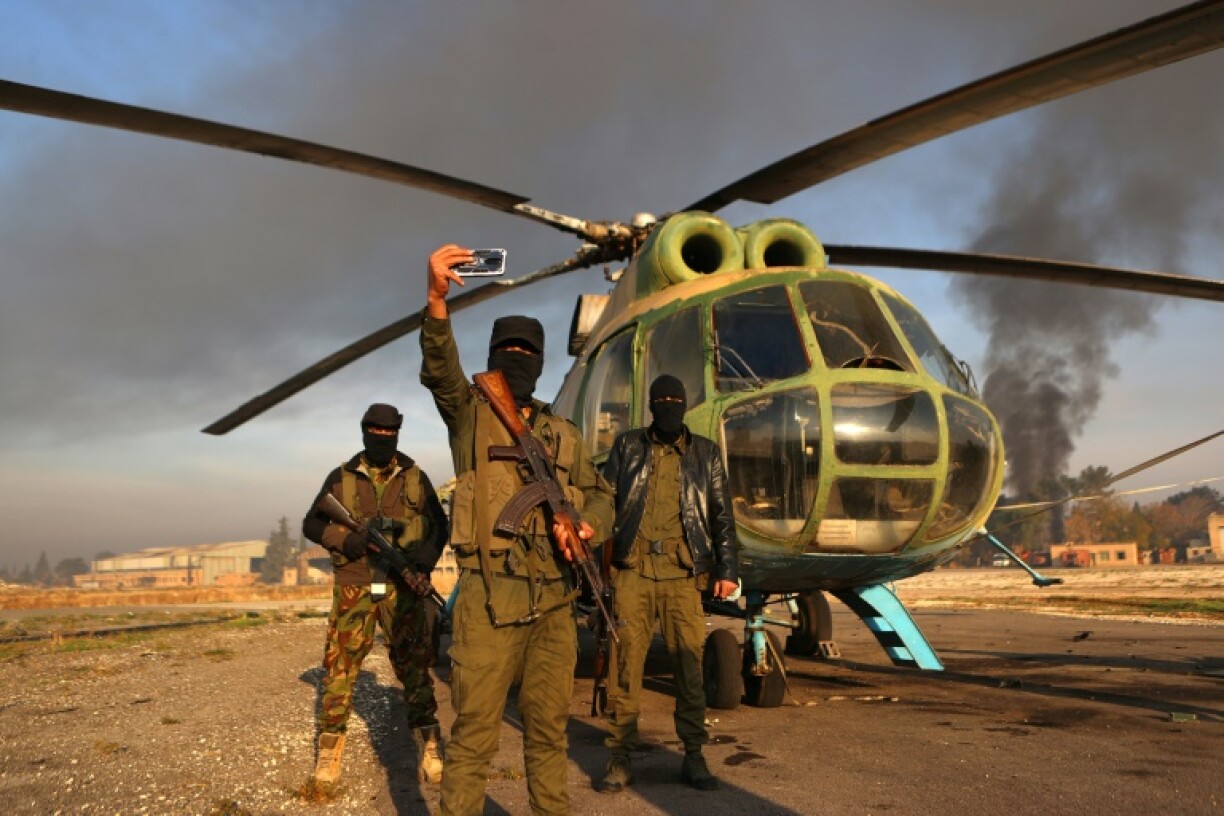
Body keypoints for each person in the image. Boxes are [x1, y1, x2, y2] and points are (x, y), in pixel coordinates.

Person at [420, 244, 614, 816]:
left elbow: (602, 494)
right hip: (488, 599)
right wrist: (436, 300)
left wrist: (585, 525)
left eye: (528, 352)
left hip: (555, 601)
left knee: (549, 736)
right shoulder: (469, 414)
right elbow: (440, 371)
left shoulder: (564, 433)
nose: (518, 359)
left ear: (542, 362)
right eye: (508, 350)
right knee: (474, 736)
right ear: (493, 356)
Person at [597, 374, 739, 793]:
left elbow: (722, 516)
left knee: (690, 669)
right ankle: (619, 757)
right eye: (662, 400)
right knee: (625, 671)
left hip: (683, 576)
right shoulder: (628, 446)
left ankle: (694, 755)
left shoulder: (706, 454)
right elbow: (604, 501)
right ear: (651, 405)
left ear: (684, 405)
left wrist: (727, 570)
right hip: (633, 572)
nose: (668, 407)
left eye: (675, 400)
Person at [301, 403, 450, 787]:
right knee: (340, 668)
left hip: (402, 585)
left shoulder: (415, 477)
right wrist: (346, 540)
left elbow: (439, 526)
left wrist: (423, 562)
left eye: (389, 433)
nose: (382, 438)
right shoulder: (342, 477)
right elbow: (312, 523)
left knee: (415, 666)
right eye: (376, 431)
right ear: (365, 431)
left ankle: (430, 744)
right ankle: (330, 751)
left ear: (397, 434)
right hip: (355, 583)